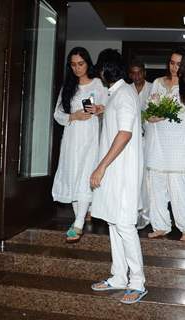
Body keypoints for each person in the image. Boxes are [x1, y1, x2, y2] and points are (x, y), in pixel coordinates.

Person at [89, 50, 147, 304]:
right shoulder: (117, 95)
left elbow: (125, 134)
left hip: (121, 172)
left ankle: (137, 281)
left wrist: (100, 166)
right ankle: (119, 277)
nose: (98, 73)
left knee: (124, 225)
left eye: (100, 68)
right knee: (114, 223)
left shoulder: (124, 94)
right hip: (115, 172)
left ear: (106, 70)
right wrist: (104, 110)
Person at [144, 47, 185, 242]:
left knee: (178, 186)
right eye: (172, 62)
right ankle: (160, 225)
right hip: (157, 141)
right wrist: (151, 117)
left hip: (177, 143)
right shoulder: (157, 83)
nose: (174, 67)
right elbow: (148, 109)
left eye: (179, 64)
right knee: (156, 185)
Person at [51, 47, 108, 243]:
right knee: (73, 176)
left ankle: (77, 225)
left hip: (91, 138)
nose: (77, 68)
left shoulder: (99, 84)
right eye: (73, 65)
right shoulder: (68, 86)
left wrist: (99, 109)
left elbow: (110, 106)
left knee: (85, 176)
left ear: (87, 63)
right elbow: (57, 114)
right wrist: (73, 116)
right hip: (72, 138)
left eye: (81, 64)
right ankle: (79, 218)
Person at [128, 59, 153, 230]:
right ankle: (132, 213)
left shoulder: (153, 88)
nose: (136, 76)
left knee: (147, 179)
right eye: (133, 73)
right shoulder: (126, 90)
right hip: (130, 141)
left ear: (144, 72)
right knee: (132, 177)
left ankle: (147, 214)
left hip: (149, 140)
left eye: (139, 72)